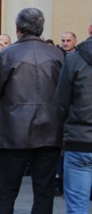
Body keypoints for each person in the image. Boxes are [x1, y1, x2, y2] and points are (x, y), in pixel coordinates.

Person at [0, 7, 64, 213]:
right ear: (40, 28)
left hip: (13, 132)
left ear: (18, 28)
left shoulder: (6, 55)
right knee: (44, 192)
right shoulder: (58, 55)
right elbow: (66, 95)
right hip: (49, 130)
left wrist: (4, 115)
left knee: (5, 192)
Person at [55, 19, 92, 213]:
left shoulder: (74, 60)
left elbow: (61, 102)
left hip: (80, 139)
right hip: (79, 139)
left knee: (77, 205)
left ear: (90, 29)